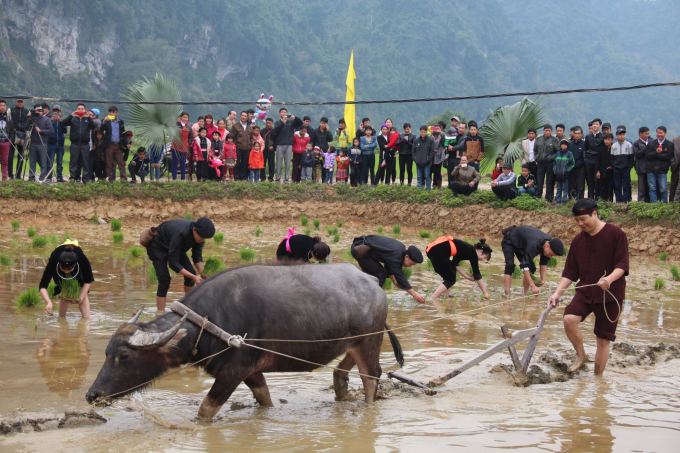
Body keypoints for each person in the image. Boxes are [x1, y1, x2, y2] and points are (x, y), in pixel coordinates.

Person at [548, 199, 629, 375]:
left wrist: (609, 279)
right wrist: (557, 293)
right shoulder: (578, 240)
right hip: (585, 291)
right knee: (569, 319)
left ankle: (598, 378)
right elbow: (570, 272)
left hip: (611, 294)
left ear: (595, 213)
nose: (580, 224)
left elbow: (622, 265)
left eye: (583, 219)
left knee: (602, 340)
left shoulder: (616, 234)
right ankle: (581, 354)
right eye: (577, 220)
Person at [146, 217, 214, 311]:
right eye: (202, 237)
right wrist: (194, 277)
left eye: (205, 238)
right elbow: (173, 263)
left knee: (190, 273)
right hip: (158, 248)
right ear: (194, 230)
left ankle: (188, 307)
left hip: (176, 248)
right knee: (164, 280)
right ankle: (160, 313)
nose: (203, 240)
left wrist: (204, 274)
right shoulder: (181, 232)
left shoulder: (200, 235)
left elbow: (197, 256)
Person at [351, 235, 425, 303]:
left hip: (363, 248)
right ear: (407, 257)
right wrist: (415, 295)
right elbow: (400, 276)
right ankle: (370, 300)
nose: (410, 267)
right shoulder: (397, 255)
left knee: (372, 276)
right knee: (381, 274)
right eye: (411, 264)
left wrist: (395, 282)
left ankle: (360, 295)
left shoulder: (400, 250)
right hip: (360, 249)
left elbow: (389, 265)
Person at [501, 225, 564, 295]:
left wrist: (543, 279)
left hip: (522, 244)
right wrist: (533, 285)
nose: (550, 256)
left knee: (531, 268)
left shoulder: (548, 242)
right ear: (547, 246)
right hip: (510, 239)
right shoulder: (534, 245)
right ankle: (507, 294)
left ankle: (524, 294)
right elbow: (524, 266)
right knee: (510, 265)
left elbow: (544, 262)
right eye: (551, 254)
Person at [39, 241, 94, 318]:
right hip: (59, 271)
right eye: (63, 269)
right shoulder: (54, 261)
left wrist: (80, 298)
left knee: (82, 291)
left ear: (74, 266)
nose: (66, 272)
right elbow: (42, 286)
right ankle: (61, 318)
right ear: (59, 265)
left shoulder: (82, 259)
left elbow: (88, 281)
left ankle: (86, 320)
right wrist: (49, 302)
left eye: (69, 270)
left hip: (77, 271)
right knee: (64, 289)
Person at [427, 236, 491, 301]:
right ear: (480, 251)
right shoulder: (473, 253)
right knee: (451, 280)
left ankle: (445, 296)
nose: (482, 260)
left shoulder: (467, 249)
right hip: (437, 251)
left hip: (431, 249)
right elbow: (477, 275)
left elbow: (455, 263)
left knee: (450, 273)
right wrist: (485, 293)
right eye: (484, 257)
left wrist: (466, 276)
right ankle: (433, 298)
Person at [61, 104, 94, 183]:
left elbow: (93, 126)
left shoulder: (87, 119)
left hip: (85, 144)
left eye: (82, 109)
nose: (80, 110)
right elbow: (63, 123)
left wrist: (88, 117)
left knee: (85, 162)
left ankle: (85, 178)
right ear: (76, 110)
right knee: (73, 161)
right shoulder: (73, 119)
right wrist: (71, 116)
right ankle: (73, 177)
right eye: (79, 109)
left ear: (84, 110)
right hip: (75, 144)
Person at [271, 108, 302, 183]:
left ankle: (286, 178)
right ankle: (277, 178)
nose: (284, 113)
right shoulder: (278, 123)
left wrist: (295, 118)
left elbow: (300, 123)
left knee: (287, 162)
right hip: (279, 144)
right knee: (279, 162)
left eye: (285, 112)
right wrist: (283, 123)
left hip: (289, 144)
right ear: (279, 114)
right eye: (282, 112)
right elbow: (275, 131)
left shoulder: (291, 122)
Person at [645, 126, 673, 203]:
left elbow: (668, 156)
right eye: (658, 133)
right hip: (651, 169)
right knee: (652, 188)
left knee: (663, 188)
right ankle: (654, 205)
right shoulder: (651, 143)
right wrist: (656, 152)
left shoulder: (669, 144)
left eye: (661, 133)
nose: (659, 134)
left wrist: (658, 155)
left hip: (662, 170)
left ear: (665, 133)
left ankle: (664, 204)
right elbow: (648, 155)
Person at [101, 106, 128, 182]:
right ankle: (111, 179)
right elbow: (101, 129)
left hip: (118, 145)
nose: (115, 114)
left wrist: (126, 144)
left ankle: (124, 179)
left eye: (116, 112)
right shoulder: (107, 121)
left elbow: (123, 134)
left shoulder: (120, 122)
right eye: (113, 112)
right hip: (109, 145)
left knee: (121, 163)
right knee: (109, 163)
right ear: (109, 113)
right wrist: (104, 121)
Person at [535, 124, 559, 202]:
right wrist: (537, 157)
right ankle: (538, 197)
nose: (547, 132)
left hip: (550, 163)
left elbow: (557, 152)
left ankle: (548, 198)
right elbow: (535, 150)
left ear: (551, 131)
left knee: (549, 181)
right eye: (546, 130)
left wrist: (550, 158)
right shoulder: (538, 139)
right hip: (540, 163)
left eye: (549, 131)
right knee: (539, 181)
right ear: (543, 131)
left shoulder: (555, 140)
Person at [28, 103, 52, 182]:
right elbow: (26, 128)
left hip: (43, 143)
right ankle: (31, 177)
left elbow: (50, 131)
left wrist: (41, 131)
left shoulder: (47, 119)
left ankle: (43, 177)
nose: (39, 112)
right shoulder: (31, 119)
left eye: (40, 110)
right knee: (32, 161)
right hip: (33, 143)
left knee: (43, 161)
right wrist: (29, 119)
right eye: (37, 110)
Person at [611, 126, 635, 203]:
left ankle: (625, 200)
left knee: (626, 186)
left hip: (625, 169)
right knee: (617, 186)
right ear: (617, 136)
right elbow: (612, 158)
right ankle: (618, 200)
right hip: (616, 169)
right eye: (620, 134)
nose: (622, 136)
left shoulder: (629, 145)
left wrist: (629, 167)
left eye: (623, 134)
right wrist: (614, 166)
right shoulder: (614, 145)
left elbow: (631, 158)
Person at [230, 111, 254, 181]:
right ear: (240, 116)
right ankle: (237, 177)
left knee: (245, 163)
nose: (243, 117)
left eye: (245, 116)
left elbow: (251, 137)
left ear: (247, 117)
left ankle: (243, 177)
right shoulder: (235, 126)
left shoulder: (250, 127)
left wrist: (250, 144)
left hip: (247, 148)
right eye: (242, 115)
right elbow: (232, 136)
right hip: (238, 147)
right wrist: (234, 146)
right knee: (236, 162)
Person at [584, 118, 604, 199]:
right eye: (594, 124)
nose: (595, 126)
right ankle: (590, 198)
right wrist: (585, 158)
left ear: (600, 126)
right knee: (590, 181)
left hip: (597, 161)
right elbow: (585, 148)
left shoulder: (602, 137)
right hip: (589, 160)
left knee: (597, 181)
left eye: (597, 124)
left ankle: (597, 198)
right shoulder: (588, 136)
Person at [47, 105, 67, 182]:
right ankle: (49, 177)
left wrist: (60, 122)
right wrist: (51, 121)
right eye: (55, 111)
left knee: (59, 162)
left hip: (60, 144)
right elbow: (48, 129)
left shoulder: (62, 121)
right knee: (50, 161)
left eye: (57, 111)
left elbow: (65, 131)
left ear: (60, 112)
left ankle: (59, 177)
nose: (56, 113)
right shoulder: (50, 120)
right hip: (51, 144)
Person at [9, 98, 29, 179]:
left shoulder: (27, 112)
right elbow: (8, 121)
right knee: (10, 156)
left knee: (21, 156)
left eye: (21, 102)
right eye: (19, 102)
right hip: (13, 134)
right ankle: (10, 174)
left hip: (23, 135)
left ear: (24, 102)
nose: (20, 103)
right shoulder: (11, 110)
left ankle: (18, 175)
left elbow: (28, 123)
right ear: (16, 102)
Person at [412, 125, 434, 190]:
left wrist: (429, 159)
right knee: (419, 176)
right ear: (420, 132)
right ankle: (419, 188)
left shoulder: (430, 140)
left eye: (424, 132)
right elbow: (413, 151)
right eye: (422, 132)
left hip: (427, 162)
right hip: (418, 162)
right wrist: (415, 159)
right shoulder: (416, 140)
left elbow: (432, 151)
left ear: (426, 132)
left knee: (427, 176)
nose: (423, 133)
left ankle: (428, 188)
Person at [554, 139, 575, 205]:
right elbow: (554, 163)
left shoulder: (569, 154)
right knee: (558, 189)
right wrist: (555, 169)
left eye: (565, 145)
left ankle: (564, 201)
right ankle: (558, 201)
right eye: (562, 145)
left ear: (567, 146)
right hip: (558, 174)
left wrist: (567, 170)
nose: (563, 146)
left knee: (565, 189)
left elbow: (572, 163)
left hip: (565, 175)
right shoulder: (557, 153)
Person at [172, 112, 192, 181]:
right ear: (181, 117)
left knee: (183, 163)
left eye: (186, 117)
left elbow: (190, 137)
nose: (185, 119)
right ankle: (174, 178)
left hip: (184, 147)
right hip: (175, 146)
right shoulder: (176, 125)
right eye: (184, 117)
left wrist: (189, 144)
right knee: (175, 162)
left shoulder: (189, 127)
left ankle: (182, 178)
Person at [633, 126, 651, 203]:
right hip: (641, 167)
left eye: (648, 134)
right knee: (641, 187)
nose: (647, 136)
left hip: (650, 167)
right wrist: (646, 147)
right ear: (640, 133)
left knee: (650, 186)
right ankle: (641, 203)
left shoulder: (652, 141)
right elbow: (637, 154)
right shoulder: (636, 143)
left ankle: (649, 202)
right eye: (645, 134)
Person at [568, 126, 586, 200]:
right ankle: (571, 198)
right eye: (576, 133)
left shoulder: (584, 144)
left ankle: (580, 199)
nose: (577, 135)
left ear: (582, 134)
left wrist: (581, 164)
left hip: (580, 168)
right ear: (574, 134)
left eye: (579, 133)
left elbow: (584, 156)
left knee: (580, 185)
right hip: (571, 168)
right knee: (571, 184)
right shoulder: (570, 144)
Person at [0, 99, 15, 180]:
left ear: (6, 107)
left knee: (5, 161)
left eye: (3, 106)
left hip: (6, 142)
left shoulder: (9, 118)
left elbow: (12, 130)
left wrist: (10, 141)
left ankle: (4, 178)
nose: (2, 107)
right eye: (0, 105)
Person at [261, 117, 276, 182]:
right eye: (267, 123)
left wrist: (273, 146)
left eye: (270, 123)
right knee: (262, 165)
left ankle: (271, 178)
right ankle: (262, 178)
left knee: (271, 165)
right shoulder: (262, 131)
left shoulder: (274, 131)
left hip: (271, 151)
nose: (268, 124)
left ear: (272, 123)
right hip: (263, 151)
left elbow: (277, 140)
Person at [671, 132, 680, 203]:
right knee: (674, 185)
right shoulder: (675, 140)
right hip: (676, 166)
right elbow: (671, 153)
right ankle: (672, 203)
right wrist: (673, 162)